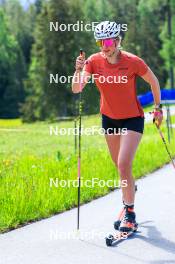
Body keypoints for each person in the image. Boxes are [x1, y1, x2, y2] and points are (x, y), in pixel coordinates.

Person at [71, 21, 163, 232]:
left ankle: (129, 213)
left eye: (110, 40)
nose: (105, 45)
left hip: (132, 118)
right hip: (109, 119)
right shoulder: (93, 61)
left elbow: (154, 81)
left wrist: (158, 109)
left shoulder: (132, 61)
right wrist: (77, 70)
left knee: (123, 163)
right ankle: (129, 192)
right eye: (101, 41)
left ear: (118, 41)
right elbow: (77, 88)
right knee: (120, 167)